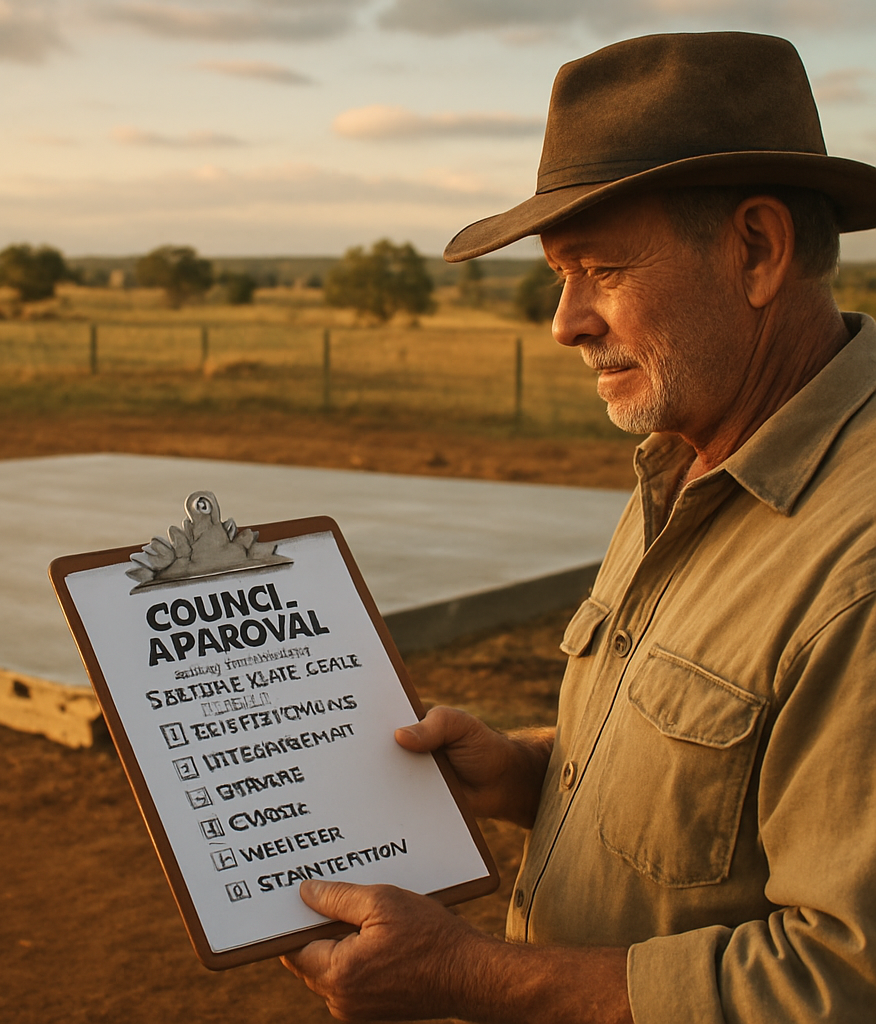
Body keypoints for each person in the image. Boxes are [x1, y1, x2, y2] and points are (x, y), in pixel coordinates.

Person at [282, 32, 876, 1023]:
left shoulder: (856, 560)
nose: (564, 321)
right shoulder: (692, 457)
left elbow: (842, 983)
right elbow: (731, 771)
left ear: (758, 251)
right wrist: (526, 771)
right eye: (560, 274)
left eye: (599, 268)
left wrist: (470, 974)